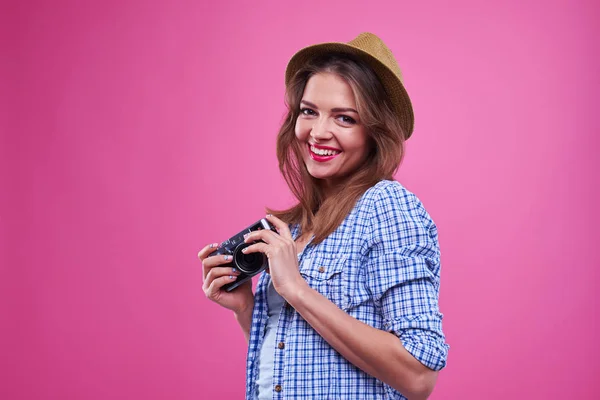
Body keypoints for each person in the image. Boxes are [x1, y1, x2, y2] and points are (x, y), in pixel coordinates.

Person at [198, 32, 449, 400]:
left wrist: (296, 289)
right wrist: (246, 309)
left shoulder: (386, 206)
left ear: (375, 133)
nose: (318, 132)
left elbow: (418, 376)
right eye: (308, 111)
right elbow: (302, 362)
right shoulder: (299, 227)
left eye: (344, 118)